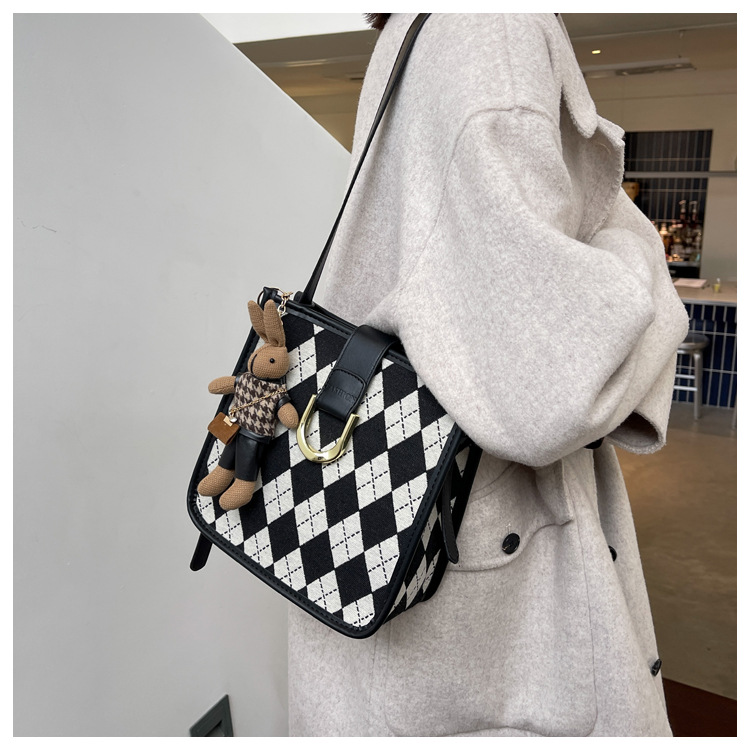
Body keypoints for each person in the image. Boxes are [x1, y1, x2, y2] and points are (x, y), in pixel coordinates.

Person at [287, 13, 689, 736]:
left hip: (402, 559)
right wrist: (637, 246)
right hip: (490, 616)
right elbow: (552, 381)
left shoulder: (424, 29)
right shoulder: (491, 25)